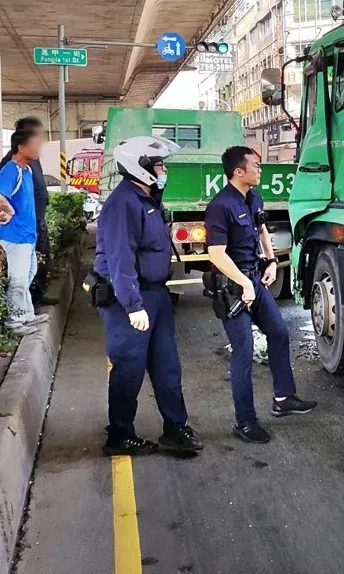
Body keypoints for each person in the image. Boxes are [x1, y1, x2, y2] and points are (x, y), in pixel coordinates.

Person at [94, 135, 203, 456]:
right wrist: (132, 305)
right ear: (139, 167)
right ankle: (120, 436)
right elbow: (119, 258)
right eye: (158, 165)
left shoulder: (149, 199)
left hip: (155, 295)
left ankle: (175, 428)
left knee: (167, 366)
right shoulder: (123, 203)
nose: (163, 169)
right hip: (127, 298)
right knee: (129, 368)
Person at [205, 146, 317, 443]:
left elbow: (261, 227)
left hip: (253, 279)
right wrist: (244, 283)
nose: (260, 170)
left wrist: (269, 261)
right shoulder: (221, 206)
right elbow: (216, 254)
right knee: (242, 352)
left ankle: (283, 398)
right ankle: (245, 422)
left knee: (279, 333)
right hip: (233, 287)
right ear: (238, 172)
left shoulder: (253, 196)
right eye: (256, 165)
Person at [0, 117, 55, 310]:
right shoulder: (10, 166)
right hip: (18, 233)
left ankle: (28, 311)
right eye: (36, 140)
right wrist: (9, 211)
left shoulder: (29, 166)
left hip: (31, 227)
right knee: (19, 278)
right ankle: (16, 318)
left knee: (32, 270)